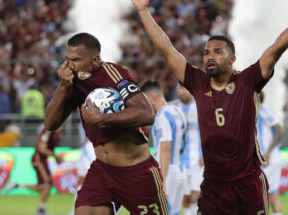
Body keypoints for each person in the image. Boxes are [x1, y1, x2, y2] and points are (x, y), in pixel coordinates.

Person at [125, 0, 288, 214]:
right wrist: (143, 11)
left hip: (247, 183)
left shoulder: (247, 81)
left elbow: (275, 49)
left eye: (217, 52)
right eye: (206, 52)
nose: (210, 56)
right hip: (213, 185)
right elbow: (166, 48)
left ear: (232, 59)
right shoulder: (198, 82)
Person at [44, 32, 169, 215]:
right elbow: (50, 123)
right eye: (67, 59)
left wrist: (102, 119)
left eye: (76, 60)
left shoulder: (115, 74)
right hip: (102, 171)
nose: (69, 65)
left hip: (137, 172)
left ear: (94, 60)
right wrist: (63, 88)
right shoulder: (73, 82)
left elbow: (146, 113)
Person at [141, 80, 187, 215]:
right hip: (181, 171)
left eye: (146, 100)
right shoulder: (176, 110)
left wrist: (163, 180)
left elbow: (166, 147)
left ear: (153, 97)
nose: (145, 105)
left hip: (169, 175)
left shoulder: (162, 117)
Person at [4, 124, 63, 215]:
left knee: (43, 187)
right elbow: (42, 148)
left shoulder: (52, 131)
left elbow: (48, 147)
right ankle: (41, 211)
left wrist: (55, 157)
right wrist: (56, 156)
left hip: (42, 160)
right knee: (48, 184)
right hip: (39, 160)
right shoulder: (47, 131)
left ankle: (17, 185)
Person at [171, 84, 203, 215]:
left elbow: (208, 132)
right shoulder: (172, 107)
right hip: (180, 161)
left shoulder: (201, 107)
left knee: (196, 196)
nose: (183, 91)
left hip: (197, 158)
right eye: (180, 88)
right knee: (185, 198)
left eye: (186, 88)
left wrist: (206, 153)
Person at [256, 92, 286, 215]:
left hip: (269, 160)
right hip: (262, 160)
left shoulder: (264, 111)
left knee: (271, 195)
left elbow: (280, 131)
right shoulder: (255, 113)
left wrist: (268, 153)